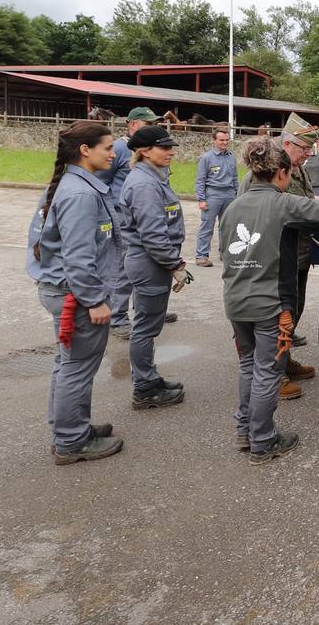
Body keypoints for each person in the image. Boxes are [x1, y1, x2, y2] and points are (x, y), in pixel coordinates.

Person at [219, 137, 319, 463]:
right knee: (268, 371)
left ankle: (244, 431)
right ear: (281, 172)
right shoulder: (284, 203)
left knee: (249, 366)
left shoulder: (233, 206)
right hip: (271, 307)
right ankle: (263, 440)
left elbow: (224, 253)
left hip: (235, 301)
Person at [27, 120, 124, 465]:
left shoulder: (72, 184)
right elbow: (80, 257)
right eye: (108, 147)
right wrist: (95, 300)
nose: (114, 153)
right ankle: (71, 441)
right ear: (86, 150)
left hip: (65, 291)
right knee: (77, 367)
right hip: (77, 295)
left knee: (68, 364)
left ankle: (70, 428)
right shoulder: (81, 193)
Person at [240, 112, 319, 395]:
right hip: (273, 256)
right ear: (288, 144)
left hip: (298, 253)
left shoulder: (296, 168)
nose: (309, 154)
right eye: (305, 148)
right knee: (277, 314)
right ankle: (272, 374)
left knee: (295, 309)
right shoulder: (260, 175)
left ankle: (284, 360)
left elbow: (306, 202)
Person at [117, 125, 191, 409]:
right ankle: (145, 388)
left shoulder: (151, 178)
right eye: (164, 147)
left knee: (147, 325)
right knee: (145, 328)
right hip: (150, 263)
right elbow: (153, 235)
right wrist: (176, 265)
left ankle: (148, 377)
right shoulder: (144, 184)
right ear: (145, 151)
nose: (171, 151)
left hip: (151, 262)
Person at [98, 107, 177, 338]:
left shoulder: (153, 147)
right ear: (132, 125)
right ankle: (118, 318)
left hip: (150, 210)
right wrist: (111, 215)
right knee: (126, 267)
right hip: (127, 216)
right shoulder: (121, 148)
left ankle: (148, 311)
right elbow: (102, 181)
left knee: (150, 265)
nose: (153, 126)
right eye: (147, 123)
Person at [194, 128, 238, 266]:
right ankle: (201, 256)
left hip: (229, 195)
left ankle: (225, 253)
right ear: (214, 140)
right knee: (207, 226)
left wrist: (237, 195)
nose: (224, 142)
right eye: (221, 140)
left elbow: (235, 178)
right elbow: (200, 180)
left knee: (227, 227)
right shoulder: (206, 158)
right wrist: (201, 199)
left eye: (226, 140)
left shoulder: (231, 156)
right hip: (212, 195)